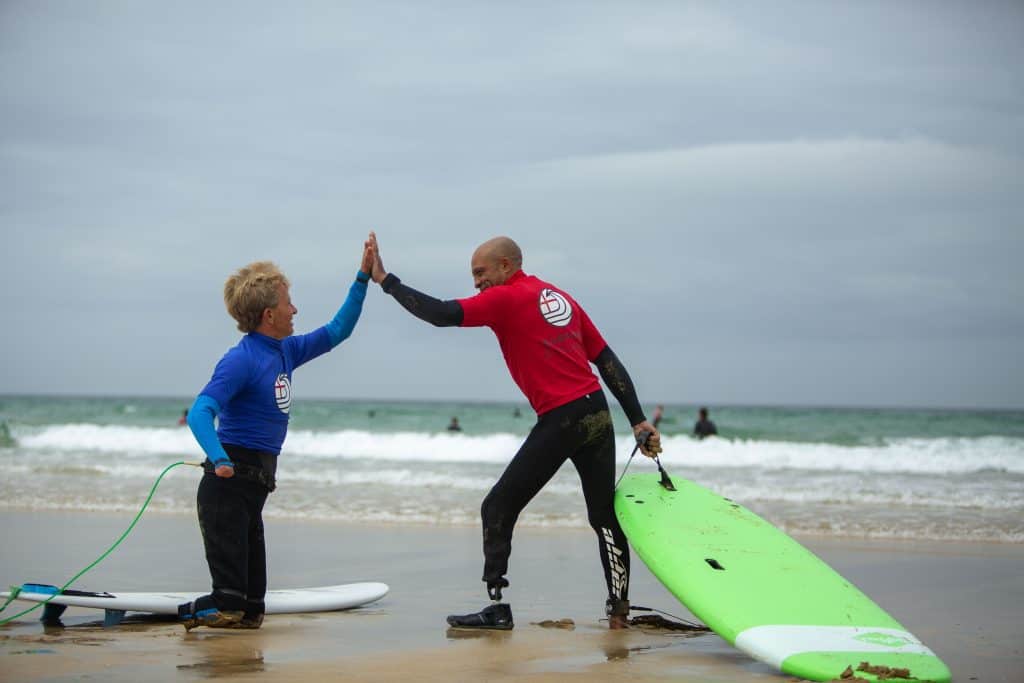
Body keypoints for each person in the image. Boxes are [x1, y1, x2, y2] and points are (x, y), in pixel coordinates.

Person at [364, 232, 661, 630]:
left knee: (497, 507)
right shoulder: (562, 298)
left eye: (480, 272)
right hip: (596, 413)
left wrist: (386, 280)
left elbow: (441, 314)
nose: (476, 283)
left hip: (563, 417)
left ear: (507, 265)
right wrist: (637, 419)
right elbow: (605, 360)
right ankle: (619, 614)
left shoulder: (505, 298)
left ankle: (497, 606)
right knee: (603, 516)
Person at [177, 251, 372, 630]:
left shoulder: (286, 351)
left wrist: (362, 278)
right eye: (288, 303)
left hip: (253, 492)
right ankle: (184, 615)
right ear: (269, 315)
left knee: (252, 613)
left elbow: (339, 330)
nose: (294, 309)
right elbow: (201, 411)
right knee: (229, 606)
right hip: (226, 490)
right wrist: (218, 458)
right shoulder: (241, 360)